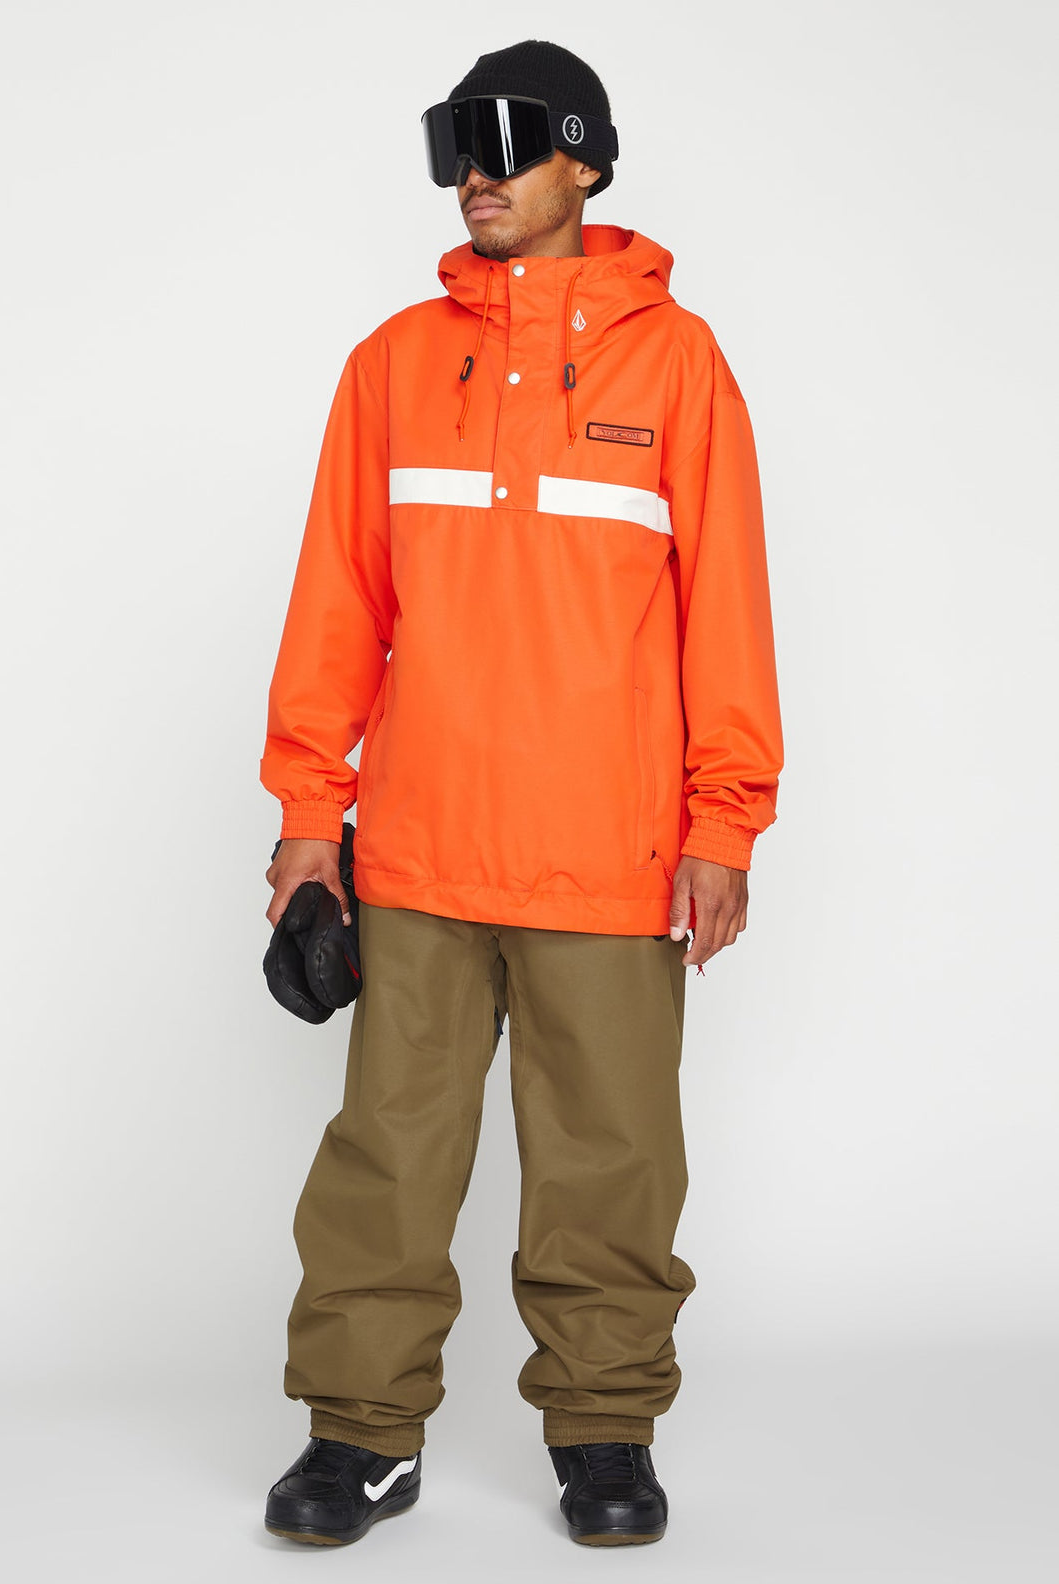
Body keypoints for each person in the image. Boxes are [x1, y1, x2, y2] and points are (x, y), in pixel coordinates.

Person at [257, 38, 784, 1548]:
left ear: (585, 159)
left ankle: (604, 1431)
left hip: (609, 854)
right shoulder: (393, 366)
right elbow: (336, 610)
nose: (474, 174)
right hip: (419, 853)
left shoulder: (678, 365)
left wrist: (724, 824)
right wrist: (309, 827)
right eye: (453, 145)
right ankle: (360, 1438)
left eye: (503, 140)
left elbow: (728, 614)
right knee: (385, 1158)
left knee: (611, 1162)